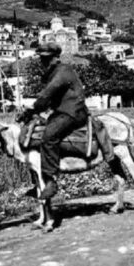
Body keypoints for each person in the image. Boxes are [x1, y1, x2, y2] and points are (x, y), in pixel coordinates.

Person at [17, 42, 112, 199]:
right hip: (62, 112)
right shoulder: (53, 72)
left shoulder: (62, 72)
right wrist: (33, 112)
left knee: (48, 136)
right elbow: (48, 99)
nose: (43, 62)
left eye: (46, 59)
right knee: (35, 132)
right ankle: (36, 181)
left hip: (73, 112)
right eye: (42, 59)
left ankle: (50, 180)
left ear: (55, 58)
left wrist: (32, 109)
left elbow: (47, 94)